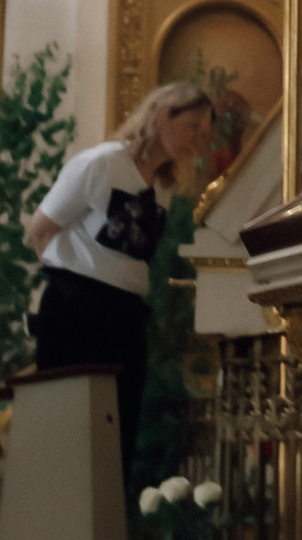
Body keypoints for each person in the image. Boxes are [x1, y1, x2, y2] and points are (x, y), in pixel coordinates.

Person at [25, 82, 215, 439]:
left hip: (125, 314)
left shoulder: (164, 186)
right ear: (162, 114)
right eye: (193, 127)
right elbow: (40, 228)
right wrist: (68, 282)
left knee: (116, 431)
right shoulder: (101, 163)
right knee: (69, 430)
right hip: (75, 311)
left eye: (204, 134)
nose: (199, 140)